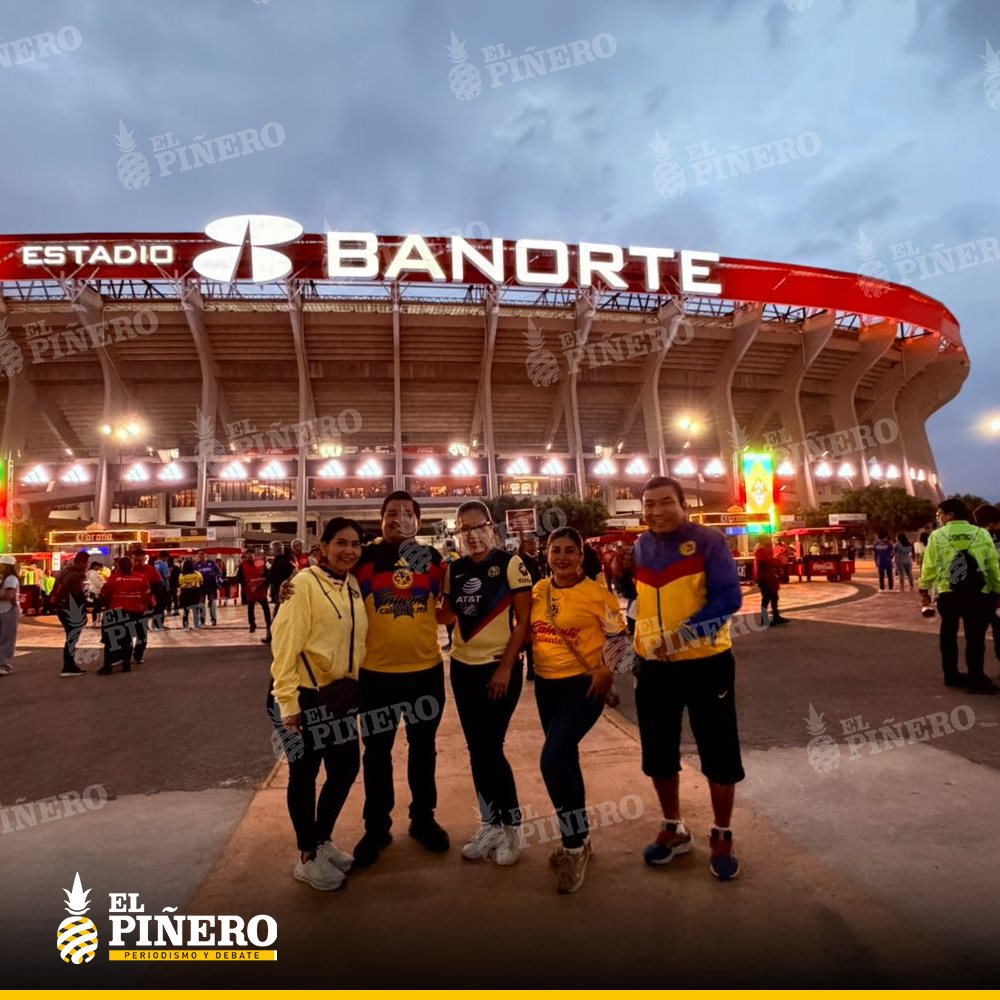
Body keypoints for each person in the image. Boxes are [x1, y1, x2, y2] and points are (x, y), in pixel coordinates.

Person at [631, 476, 745, 881]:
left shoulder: (709, 542)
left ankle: (722, 833)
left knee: (719, 751)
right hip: (654, 668)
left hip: (705, 663)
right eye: (649, 505)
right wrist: (637, 646)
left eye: (665, 503)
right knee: (658, 752)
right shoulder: (640, 545)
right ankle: (673, 827)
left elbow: (729, 598)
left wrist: (683, 635)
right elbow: (642, 600)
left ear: (684, 504)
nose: (656, 512)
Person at [269, 517, 369, 892]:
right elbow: (284, 647)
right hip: (305, 697)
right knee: (305, 775)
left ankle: (321, 839)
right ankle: (307, 856)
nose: (349, 551)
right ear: (322, 546)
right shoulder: (301, 585)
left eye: (355, 544)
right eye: (340, 543)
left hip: (339, 697)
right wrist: (287, 703)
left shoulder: (353, 585)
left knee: (344, 769)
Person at [351, 491, 449, 866]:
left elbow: (452, 606)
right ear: (380, 520)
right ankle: (376, 827)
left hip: (425, 674)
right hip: (375, 676)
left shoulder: (432, 560)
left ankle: (423, 820)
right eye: (391, 513)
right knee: (377, 754)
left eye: (407, 513)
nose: (398, 518)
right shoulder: (365, 559)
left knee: (423, 751)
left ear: (418, 523)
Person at [530, 526, 625, 893]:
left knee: (551, 761)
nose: (563, 557)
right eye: (557, 550)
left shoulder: (597, 595)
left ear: (582, 555)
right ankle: (581, 838)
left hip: (584, 687)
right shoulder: (539, 590)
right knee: (566, 759)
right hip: (546, 686)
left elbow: (619, 639)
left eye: (571, 550)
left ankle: (573, 845)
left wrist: (606, 667)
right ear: (547, 554)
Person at [440, 500, 533, 868]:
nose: (472, 535)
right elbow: (445, 614)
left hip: (498, 672)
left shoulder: (511, 564)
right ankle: (489, 825)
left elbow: (523, 623)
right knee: (476, 750)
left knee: (491, 749)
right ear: (458, 533)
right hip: (462, 670)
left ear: (491, 527)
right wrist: (413, 598)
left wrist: (505, 669)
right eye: (464, 529)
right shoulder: (454, 569)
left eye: (478, 527)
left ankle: (512, 828)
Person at [919, 497, 1000, 694]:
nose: (938, 517)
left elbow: (928, 565)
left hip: (949, 594)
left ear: (950, 515)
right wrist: (997, 591)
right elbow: (991, 565)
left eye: (940, 514)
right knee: (975, 637)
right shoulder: (981, 533)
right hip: (978, 594)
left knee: (948, 634)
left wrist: (924, 589)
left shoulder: (937, 536)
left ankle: (951, 674)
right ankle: (976, 678)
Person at [97, 556, 152, 674]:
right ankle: (126, 665)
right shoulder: (142, 578)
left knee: (111, 640)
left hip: (115, 612)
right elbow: (147, 595)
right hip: (135, 612)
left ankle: (107, 667)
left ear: (119, 567)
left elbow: (104, 595)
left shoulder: (112, 579)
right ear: (131, 566)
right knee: (127, 639)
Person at [52, 550, 90, 677]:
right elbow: (77, 595)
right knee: (72, 638)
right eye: (86, 563)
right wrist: (83, 612)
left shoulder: (64, 572)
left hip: (61, 608)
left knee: (70, 637)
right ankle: (68, 666)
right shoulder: (74, 575)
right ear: (82, 562)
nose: (87, 565)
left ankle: (69, 665)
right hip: (71, 610)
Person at [518, 534, 544, 680]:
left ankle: (532, 668)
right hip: (528, 601)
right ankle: (530, 669)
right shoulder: (523, 560)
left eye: (534, 544)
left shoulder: (531, 559)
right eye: (531, 544)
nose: (534, 547)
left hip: (533, 600)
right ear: (525, 546)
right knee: (528, 635)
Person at [236, 549, 272, 642]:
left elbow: (268, 573)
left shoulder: (260, 562)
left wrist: (265, 583)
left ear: (254, 555)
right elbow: (239, 577)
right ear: (245, 556)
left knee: (266, 608)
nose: (249, 556)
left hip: (260, 590)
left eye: (251, 554)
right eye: (247, 555)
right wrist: (243, 586)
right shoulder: (242, 565)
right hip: (250, 591)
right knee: (250, 609)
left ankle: (269, 624)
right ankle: (252, 625)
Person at [754, 537, 788, 627]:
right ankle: (764, 619)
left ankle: (776, 616)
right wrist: (774, 560)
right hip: (764, 578)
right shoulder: (760, 551)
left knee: (774, 597)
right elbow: (763, 562)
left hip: (769, 577)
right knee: (766, 598)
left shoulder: (766, 550)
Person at [0, 554, 20, 675]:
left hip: (9, 610)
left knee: (7, 638)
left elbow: (9, 596)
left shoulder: (11, 579)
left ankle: (4, 664)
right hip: (3, 610)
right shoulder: (3, 578)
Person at [441, 538, 460, 651]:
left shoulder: (448, 559)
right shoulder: (459, 557)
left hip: (450, 592)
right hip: (459, 592)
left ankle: (451, 641)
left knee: (449, 620)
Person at [194, 551, 223, 626]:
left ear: (206, 555)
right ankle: (202, 620)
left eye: (202, 554)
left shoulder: (212, 563)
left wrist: (219, 582)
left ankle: (213, 620)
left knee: (212, 604)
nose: (201, 556)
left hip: (211, 587)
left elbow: (219, 573)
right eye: (199, 554)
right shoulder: (196, 565)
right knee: (201, 604)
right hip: (201, 588)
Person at [266, 541, 296, 611]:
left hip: (281, 586)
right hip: (290, 585)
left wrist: (263, 584)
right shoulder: (290, 557)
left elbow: (272, 574)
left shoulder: (279, 559)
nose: (272, 550)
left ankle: (276, 621)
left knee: (279, 608)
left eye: (272, 548)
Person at [178, 559, 205, 629]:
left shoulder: (181, 575)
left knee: (185, 610)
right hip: (195, 592)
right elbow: (201, 582)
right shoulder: (197, 574)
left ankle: (185, 625)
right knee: (195, 609)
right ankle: (196, 624)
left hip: (185, 593)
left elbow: (180, 583)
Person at [85, 561, 105, 625]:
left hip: (95, 590)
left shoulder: (92, 573)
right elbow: (97, 583)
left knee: (97, 606)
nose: (99, 567)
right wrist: (102, 586)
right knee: (97, 606)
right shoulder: (93, 573)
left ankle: (96, 620)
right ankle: (95, 620)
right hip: (96, 591)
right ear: (95, 566)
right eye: (98, 566)